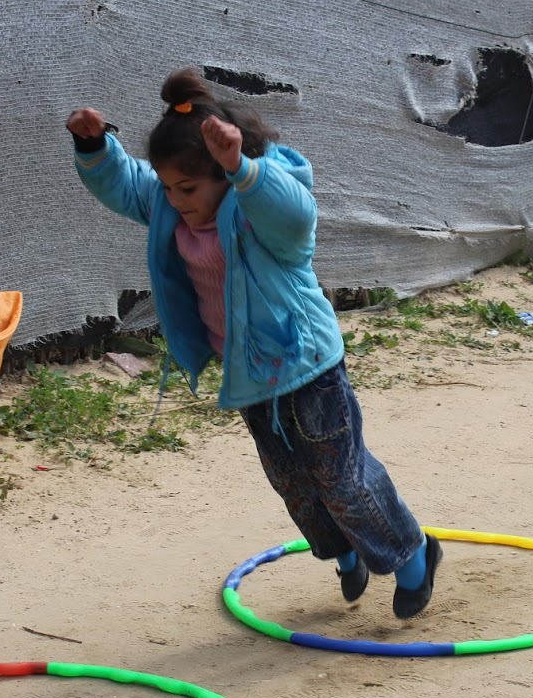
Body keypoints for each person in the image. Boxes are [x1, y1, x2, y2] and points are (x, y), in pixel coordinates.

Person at [65, 68, 442, 619]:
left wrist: (243, 170)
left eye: (188, 188)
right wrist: (93, 146)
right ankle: (345, 555)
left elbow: (294, 212)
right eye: (169, 187)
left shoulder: (262, 210)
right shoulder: (172, 205)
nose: (176, 199)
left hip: (308, 365)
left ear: (223, 174)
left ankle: (413, 555)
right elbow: (126, 184)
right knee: (293, 482)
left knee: (341, 477)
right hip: (251, 374)